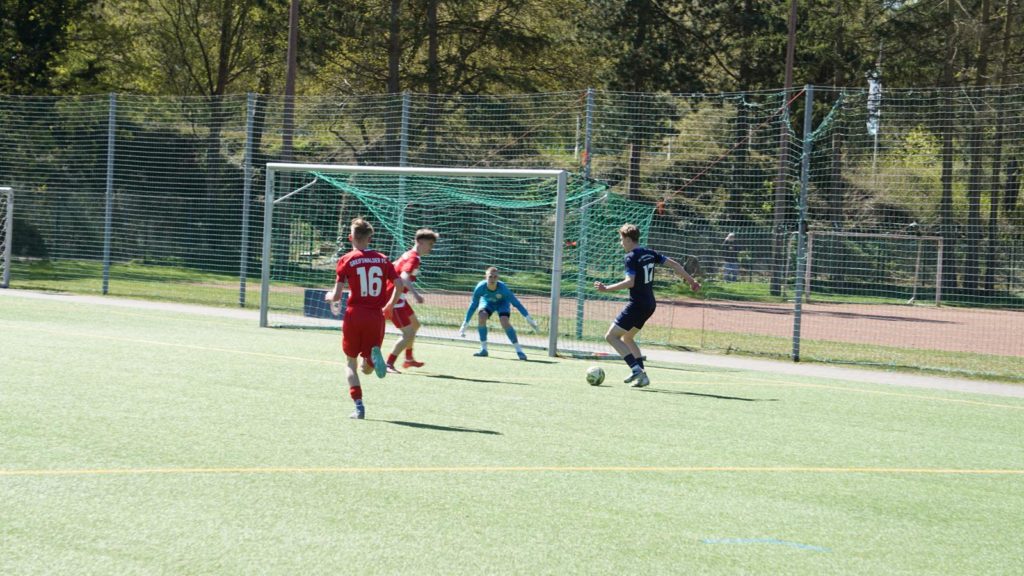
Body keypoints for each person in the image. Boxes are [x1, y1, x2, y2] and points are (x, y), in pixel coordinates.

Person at [594, 224, 700, 388]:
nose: (620, 243)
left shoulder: (630, 257)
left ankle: (636, 369)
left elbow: (630, 282)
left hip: (637, 304)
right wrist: (691, 281)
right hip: (650, 304)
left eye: (621, 239)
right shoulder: (650, 253)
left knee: (611, 336)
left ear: (628, 239)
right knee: (628, 337)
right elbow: (674, 264)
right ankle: (642, 378)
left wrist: (606, 288)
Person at [325, 217, 405, 420]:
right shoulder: (383, 259)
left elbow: (336, 296)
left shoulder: (346, 260)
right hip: (376, 316)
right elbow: (399, 285)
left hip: (355, 315)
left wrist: (328, 296)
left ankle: (359, 407)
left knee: (350, 364)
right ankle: (370, 358)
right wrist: (390, 305)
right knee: (366, 368)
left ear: (350, 237)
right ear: (370, 238)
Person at [384, 228, 439, 374]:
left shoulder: (409, 254)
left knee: (415, 324)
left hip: (398, 298)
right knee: (408, 333)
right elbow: (403, 278)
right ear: (420, 242)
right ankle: (388, 364)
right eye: (430, 244)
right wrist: (416, 295)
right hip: (394, 300)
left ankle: (408, 358)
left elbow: (394, 265)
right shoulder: (414, 258)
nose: (431, 248)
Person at [458, 266, 539, 360]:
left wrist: (528, 318)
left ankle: (519, 350)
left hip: (502, 303)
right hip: (487, 302)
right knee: (482, 316)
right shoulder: (480, 288)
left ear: (498, 278)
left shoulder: (503, 289)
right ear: (485, 277)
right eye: (490, 277)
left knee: (504, 321)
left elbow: (517, 304)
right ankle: (483, 349)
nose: (492, 279)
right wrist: (465, 324)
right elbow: (473, 306)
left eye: (495, 277)